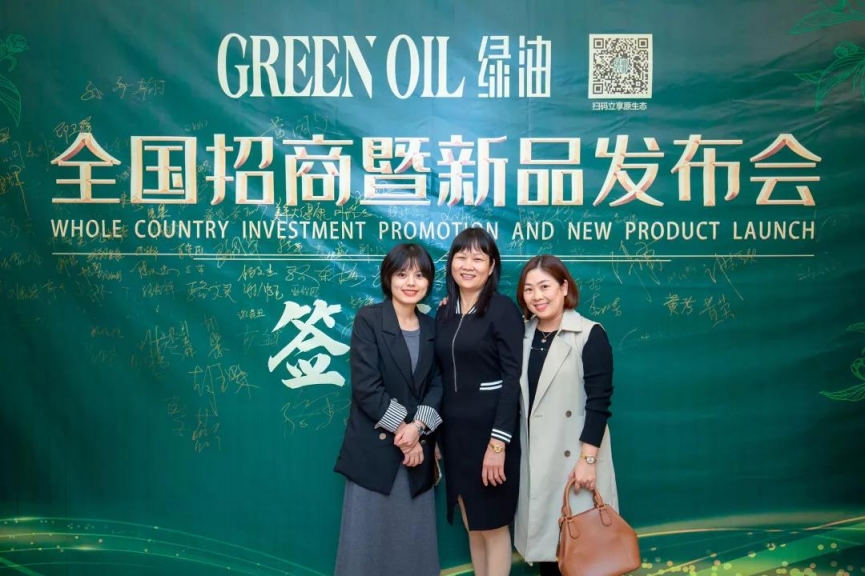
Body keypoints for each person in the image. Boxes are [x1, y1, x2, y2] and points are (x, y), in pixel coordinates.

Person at [333, 243, 443, 576]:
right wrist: (404, 434)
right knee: (364, 548)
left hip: (416, 455)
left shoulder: (432, 328)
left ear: (429, 282)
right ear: (388, 278)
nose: (411, 282)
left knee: (412, 548)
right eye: (402, 274)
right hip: (375, 452)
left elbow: (438, 385)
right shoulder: (369, 319)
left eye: (420, 275)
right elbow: (367, 387)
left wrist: (417, 430)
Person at [512, 255, 619, 575]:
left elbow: (598, 403)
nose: (537, 296)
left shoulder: (589, 333)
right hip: (536, 461)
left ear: (563, 287)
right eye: (529, 289)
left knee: (582, 555)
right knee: (550, 553)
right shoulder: (521, 334)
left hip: (575, 461)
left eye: (545, 286)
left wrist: (588, 460)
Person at [434, 228, 524, 576]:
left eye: (477, 258)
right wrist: (436, 437)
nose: (468, 265)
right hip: (455, 438)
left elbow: (513, 379)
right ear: (451, 263)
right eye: (461, 257)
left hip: (491, 437)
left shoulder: (502, 310)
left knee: (493, 525)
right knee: (472, 522)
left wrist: (498, 444)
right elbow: (439, 376)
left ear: (491, 267)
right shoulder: (444, 313)